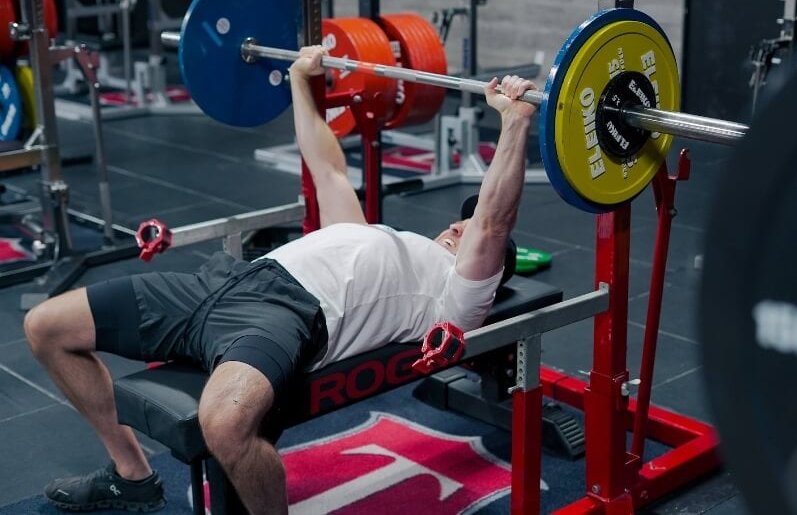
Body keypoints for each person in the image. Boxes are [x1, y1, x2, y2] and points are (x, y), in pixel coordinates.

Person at [23, 46, 537, 514]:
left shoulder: (457, 297)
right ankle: (132, 476)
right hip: (222, 282)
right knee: (46, 326)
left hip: (284, 316)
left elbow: (494, 220)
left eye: (466, 232)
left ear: (490, 270)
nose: (459, 225)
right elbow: (328, 168)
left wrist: (515, 122)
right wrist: (299, 78)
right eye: (459, 220)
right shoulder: (374, 235)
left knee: (225, 424)